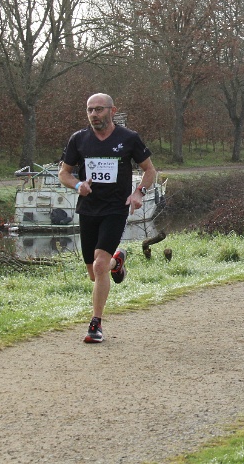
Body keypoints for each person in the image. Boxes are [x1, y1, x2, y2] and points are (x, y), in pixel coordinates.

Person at [58, 93, 157, 343]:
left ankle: (95, 324)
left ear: (112, 111)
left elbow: (149, 170)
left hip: (115, 209)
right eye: (90, 110)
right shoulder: (79, 139)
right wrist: (78, 184)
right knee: (94, 274)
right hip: (88, 209)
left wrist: (139, 192)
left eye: (99, 109)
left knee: (99, 266)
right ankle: (117, 262)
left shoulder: (128, 138)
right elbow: (64, 173)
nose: (94, 114)